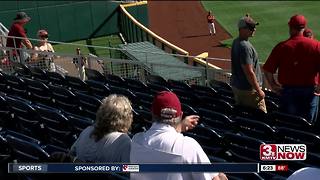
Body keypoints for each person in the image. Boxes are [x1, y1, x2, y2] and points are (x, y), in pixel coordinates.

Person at [130, 91, 227, 180]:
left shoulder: (136, 140)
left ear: (152, 114)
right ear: (180, 115)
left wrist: (180, 127)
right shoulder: (188, 146)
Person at [263, 14, 320, 124]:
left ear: (291, 28)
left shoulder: (282, 46)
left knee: (289, 124)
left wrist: (274, 86)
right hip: (310, 92)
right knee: (308, 126)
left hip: (288, 92)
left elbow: (267, 70)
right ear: (303, 28)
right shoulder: (316, 45)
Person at [69, 94, 133, 163]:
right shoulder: (123, 140)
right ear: (126, 117)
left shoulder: (87, 131)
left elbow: (72, 154)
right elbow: (129, 171)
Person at [230, 14, 266, 113]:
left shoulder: (235, 42)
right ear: (242, 29)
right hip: (249, 91)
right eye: (250, 27)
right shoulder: (245, 47)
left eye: (254, 27)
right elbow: (249, 72)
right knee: (260, 118)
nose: (254, 29)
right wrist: (259, 91)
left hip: (238, 87)